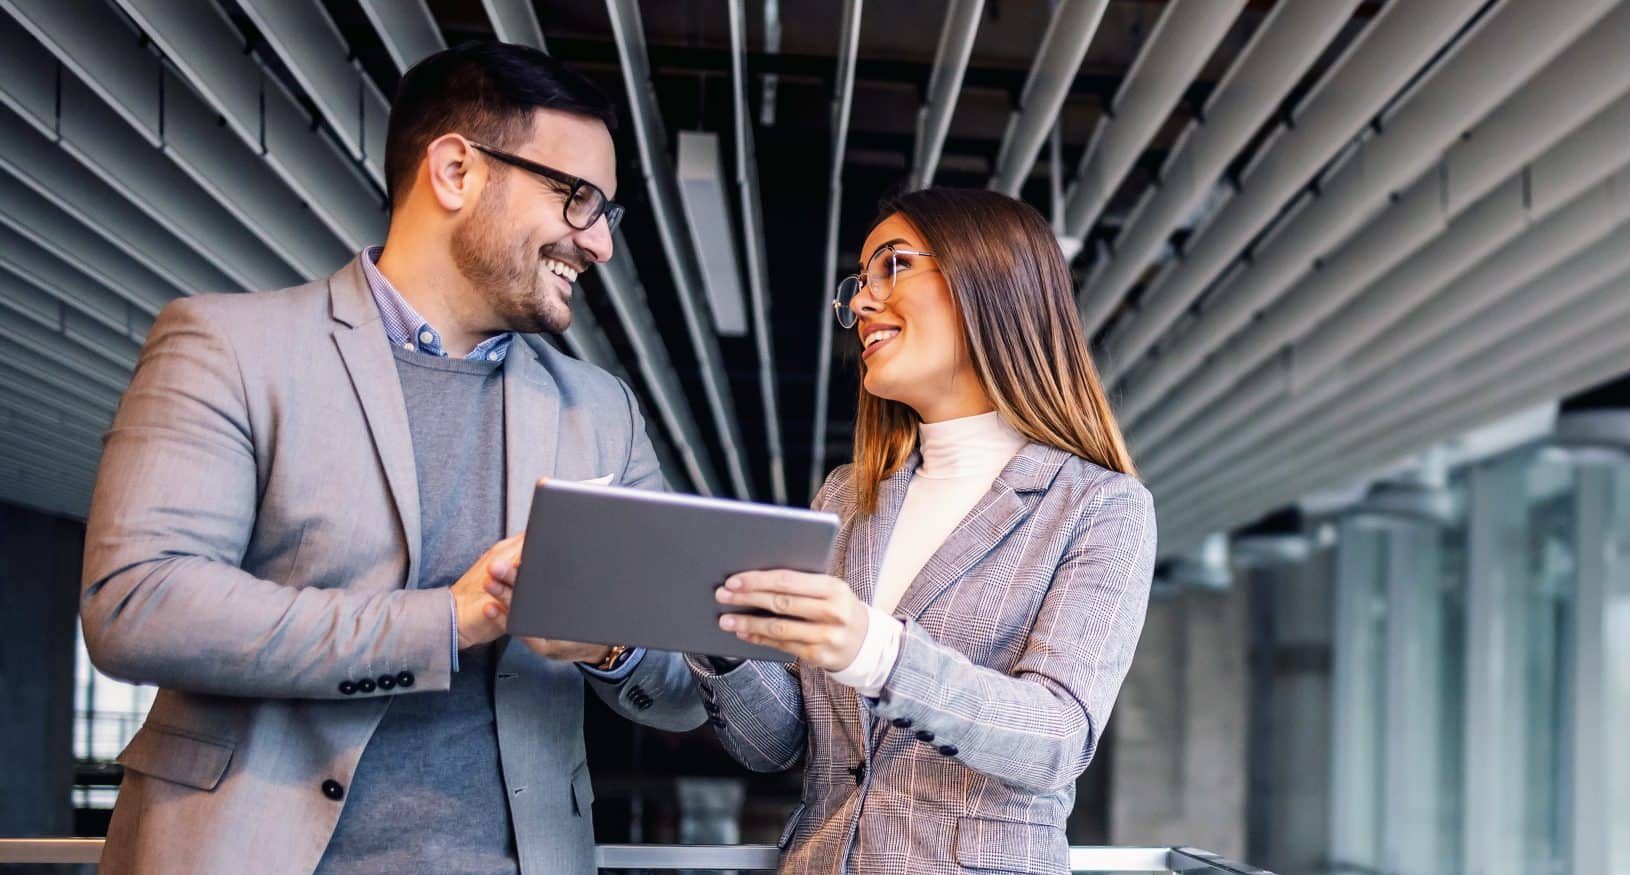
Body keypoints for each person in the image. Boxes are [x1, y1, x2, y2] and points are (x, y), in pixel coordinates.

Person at [80, 42, 703, 875]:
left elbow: (687, 683)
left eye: (606, 214)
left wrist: (609, 647)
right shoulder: (230, 346)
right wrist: (447, 621)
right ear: (455, 171)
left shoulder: (600, 413)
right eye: (579, 200)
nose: (600, 245)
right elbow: (138, 603)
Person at [686, 188, 1156, 873]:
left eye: (893, 266)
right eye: (858, 282)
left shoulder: (1098, 506)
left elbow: (1055, 737)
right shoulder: (850, 495)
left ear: (987, 281)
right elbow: (781, 745)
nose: (861, 303)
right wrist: (718, 637)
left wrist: (877, 650)